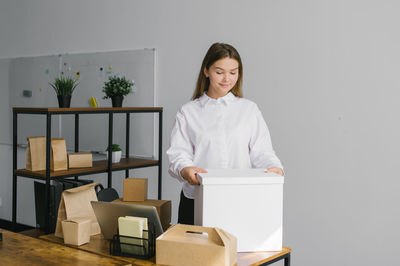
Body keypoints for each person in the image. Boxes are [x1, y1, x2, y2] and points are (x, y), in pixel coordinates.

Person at [167, 42, 284, 225]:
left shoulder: (249, 109)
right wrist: (186, 169)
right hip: (197, 199)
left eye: (233, 72)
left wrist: (274, 167)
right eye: (219, 72)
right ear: (206, 71)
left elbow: (262, 151)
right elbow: (178, 153)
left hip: (238, 198)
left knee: (237, 252)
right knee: (195, 252)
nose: (226, 79)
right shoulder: (188, 111)